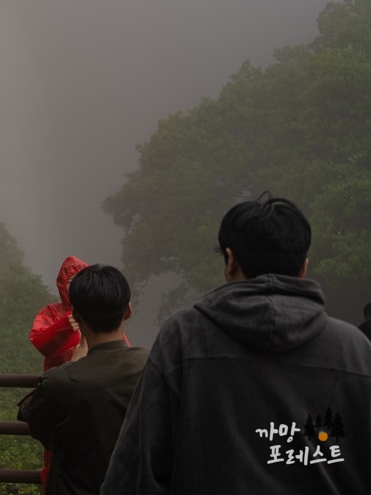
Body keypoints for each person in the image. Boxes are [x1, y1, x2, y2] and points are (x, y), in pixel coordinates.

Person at [101, 195, 371, 494]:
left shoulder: (184, 339)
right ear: (303, 267)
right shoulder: (354, 351)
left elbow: (133, 476)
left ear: (230, 261)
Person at [20, 265, 147, 495]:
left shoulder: (60, 382)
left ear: (76, 316)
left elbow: (36, 423)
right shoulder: (156, 368)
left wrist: (73, 366)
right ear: (128, 311)